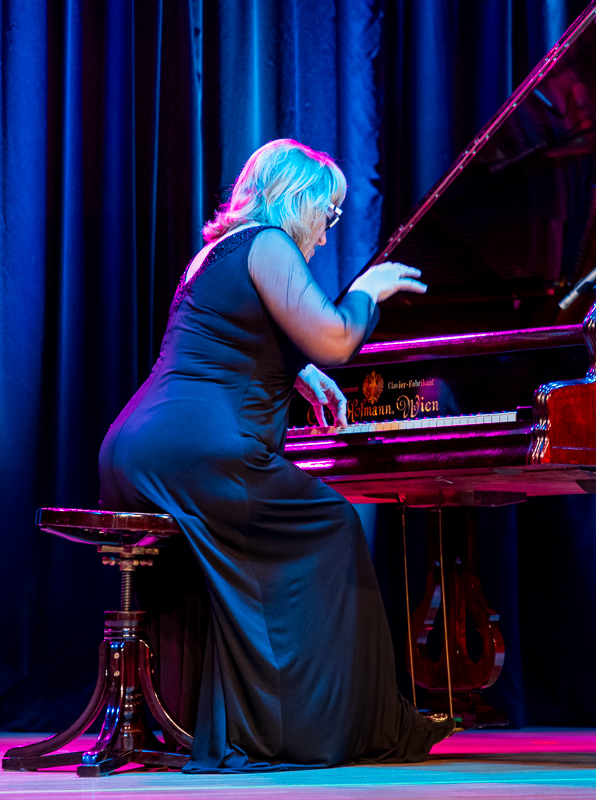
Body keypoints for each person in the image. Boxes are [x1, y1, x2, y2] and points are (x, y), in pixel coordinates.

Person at [98, 139, 450, 772]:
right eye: (327, 213)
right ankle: (315, 727)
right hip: (203, 453)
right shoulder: (269, 243)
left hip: (135, 449)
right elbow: (337, 339)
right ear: (297, 201)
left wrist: (297, 373)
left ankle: (243, 715)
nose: (326, 232)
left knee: (264, 547)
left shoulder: (215, 252)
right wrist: (367, 291)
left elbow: (224, 341)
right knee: (333, 525)